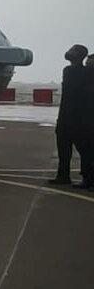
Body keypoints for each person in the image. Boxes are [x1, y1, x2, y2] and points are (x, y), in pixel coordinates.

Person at [47, 44, 88, 186]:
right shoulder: (72, 70)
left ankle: (87, 178)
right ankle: (63, 175)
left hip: (76, 117)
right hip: (67, 115)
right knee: (64, 149)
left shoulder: (80, 72)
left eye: (72, 50)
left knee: (83, 150)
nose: (69, 52)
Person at [79, 55, 94, 190]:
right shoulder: (85, 78)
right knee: (86, 152)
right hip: (85, 121)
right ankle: (87, 179)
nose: (87, 65)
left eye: (90, 63)